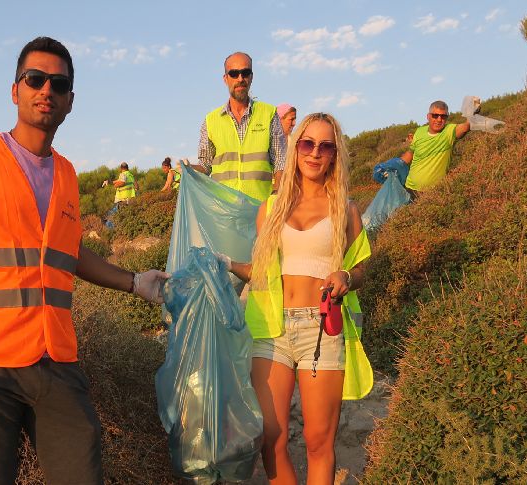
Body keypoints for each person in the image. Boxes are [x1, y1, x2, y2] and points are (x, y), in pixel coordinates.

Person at [0, 36, 168, 485]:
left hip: (55, 360)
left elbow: (69, 254)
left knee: (82, 470)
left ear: (70, 101)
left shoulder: (67, 174)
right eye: (35, 79)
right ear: (16, 91)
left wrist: (135, 282)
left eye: (58, 83)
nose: (46, 89)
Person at [222, 113, 371, 484]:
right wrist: (223, 263)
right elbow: (261, 273)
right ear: (295, 149)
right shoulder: (270, 209)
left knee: (318, 440)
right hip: (270, 329)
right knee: (269, 437)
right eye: (307, 143)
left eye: (325, 146)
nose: (315, 153)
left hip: (321, 329)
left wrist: (347, 276)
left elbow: (363, 269)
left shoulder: (346, 210)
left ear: (335, 154)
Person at [197, 52, 286, 203]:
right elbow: (205, 166)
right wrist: (187, 170)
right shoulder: (210, 120)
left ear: (252, 77)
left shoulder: (269, 114)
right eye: (234, 73)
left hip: (260, 210)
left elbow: (280, 162)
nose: (240, 79)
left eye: (245, 73)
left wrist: (277, 196)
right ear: (225, 79)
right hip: (224, 212)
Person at [400, 100, 470, 199]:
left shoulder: (449, 131)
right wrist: (395, 165)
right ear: (428, 116)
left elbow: (465, 127)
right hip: (409, 189)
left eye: (443, 116)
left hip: (433, 193)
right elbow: (410, 153)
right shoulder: (420, 131)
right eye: (435, 115)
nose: (439, 119)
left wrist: (472, 110)